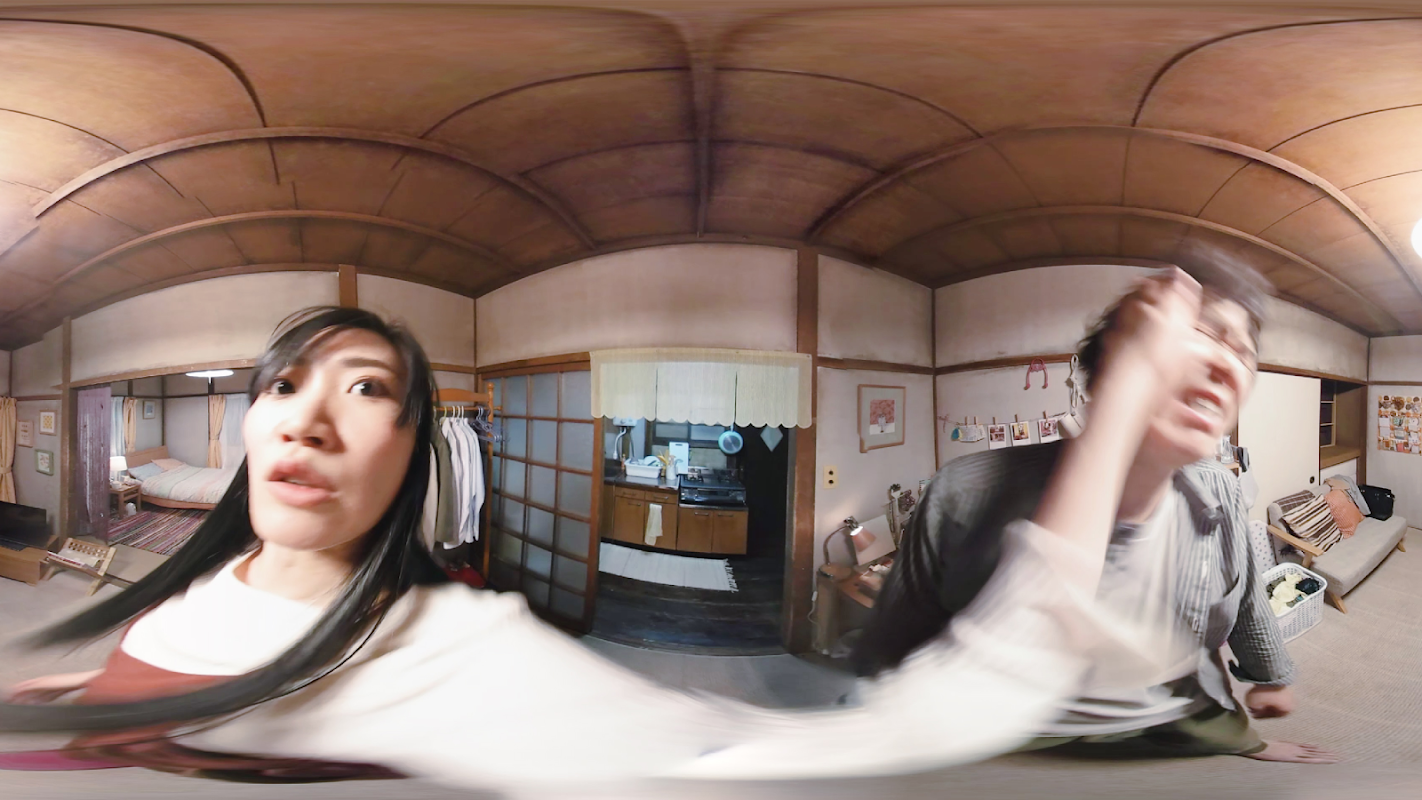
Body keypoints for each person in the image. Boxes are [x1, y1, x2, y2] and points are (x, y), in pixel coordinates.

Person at [1, 303, 1192, 790]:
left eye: (363, 388)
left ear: (417, 446)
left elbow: (822, 748)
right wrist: (92, 691)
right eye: (282, 384)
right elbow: (181, 682)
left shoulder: (455, 646)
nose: (305, 418)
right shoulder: (204, 589)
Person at [853, 257, 1337, 765]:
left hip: (1181, 727)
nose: (1228, 365)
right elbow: (890, 657)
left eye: (1243, 352)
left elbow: (1247, 597)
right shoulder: (962, 492)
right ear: (1116, 358)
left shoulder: (1221, 492)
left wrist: (1271, 677)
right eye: (1202, 332)